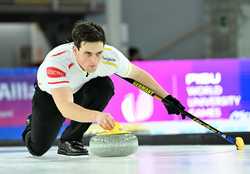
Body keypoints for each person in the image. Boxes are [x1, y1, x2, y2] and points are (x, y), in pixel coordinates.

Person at [22, 21, 185, 157]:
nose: (94, 60)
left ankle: (71, 140)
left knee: (104, 86)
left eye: (98, 53)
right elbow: (66, 108)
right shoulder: (56, 62)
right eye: (87, 53)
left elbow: (137, 74)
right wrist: (96, 116)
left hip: (80, 90)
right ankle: (32, 124)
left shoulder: (110, 56)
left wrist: (166, 98)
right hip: (52, 97)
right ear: (75, 49)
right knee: (38, 149)